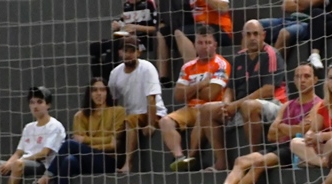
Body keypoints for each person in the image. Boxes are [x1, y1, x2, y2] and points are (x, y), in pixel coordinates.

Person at [197, 63, 321, 184]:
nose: (302, 80)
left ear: (315, 80)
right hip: (279, 145)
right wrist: (291, 129)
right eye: (298, 76)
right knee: (241, 161)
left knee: (259, 163)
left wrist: (283, 127)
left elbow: (304, 130)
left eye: (307, 76)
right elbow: (271, 134)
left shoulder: (318, 105)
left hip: (296, 150)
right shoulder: (287, 105)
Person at [13, 78, 126, 184]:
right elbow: (87, 143)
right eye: (95, 90)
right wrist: (89, 145)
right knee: (68, 160)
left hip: (107, 160)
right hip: (85, 160)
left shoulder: (118, 111)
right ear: (89, 94)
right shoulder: (80, 116)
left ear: (107, 93)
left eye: (102, 90)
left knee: (69, 145)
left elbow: (113, 144)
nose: (99, 94)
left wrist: (85, 142)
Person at [198, 20, 287, 171]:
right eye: (248, 34)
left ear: (263, 35)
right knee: (206, 109)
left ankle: (254, 157)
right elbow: (230, 88)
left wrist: (236, 104)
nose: (252, 38)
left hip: (274, 105)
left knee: (248, 106)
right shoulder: (239, 57)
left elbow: (268, 90)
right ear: (243, 36)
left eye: (256, 34)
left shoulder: (271, 54)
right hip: (242, 105)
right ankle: (221, 162)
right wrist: (226, 103)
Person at [160, 25, 230, 172]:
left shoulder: (221, 64)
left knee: (203, 113)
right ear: (195, 45)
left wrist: (190, 90)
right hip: (190, 108)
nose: (205, 47)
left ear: (215, 44)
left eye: (208, 43)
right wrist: (202, 85)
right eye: (200, 43)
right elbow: (178, 96)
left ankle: (191, 157)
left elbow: (211, 94)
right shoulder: (188, 67)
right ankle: (179, 156)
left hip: (210, 107)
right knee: (165, 121)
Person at [108, 37, 167, 174]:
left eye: (132, 51)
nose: (128, 54)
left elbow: (151, 99)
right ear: (120, 53)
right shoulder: (115, 73)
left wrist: (151, 124)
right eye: (125, 50)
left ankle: (128, 164)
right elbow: (114, 101)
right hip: (131, 114)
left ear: (138, 53)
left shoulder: (147, 68)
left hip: (153, 113)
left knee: (130, 121)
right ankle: (109, 163)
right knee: (115, 127)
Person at [91, 0, 173, 85]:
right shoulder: (127, 5)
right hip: (127, 38)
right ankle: (101, 82)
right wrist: (117, 25)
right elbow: (123, 23)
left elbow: (159, 27)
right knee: (95, 47)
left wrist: (137, 28)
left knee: (114, 46)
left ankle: (107, 83)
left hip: (145, 40)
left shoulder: (150, 3)